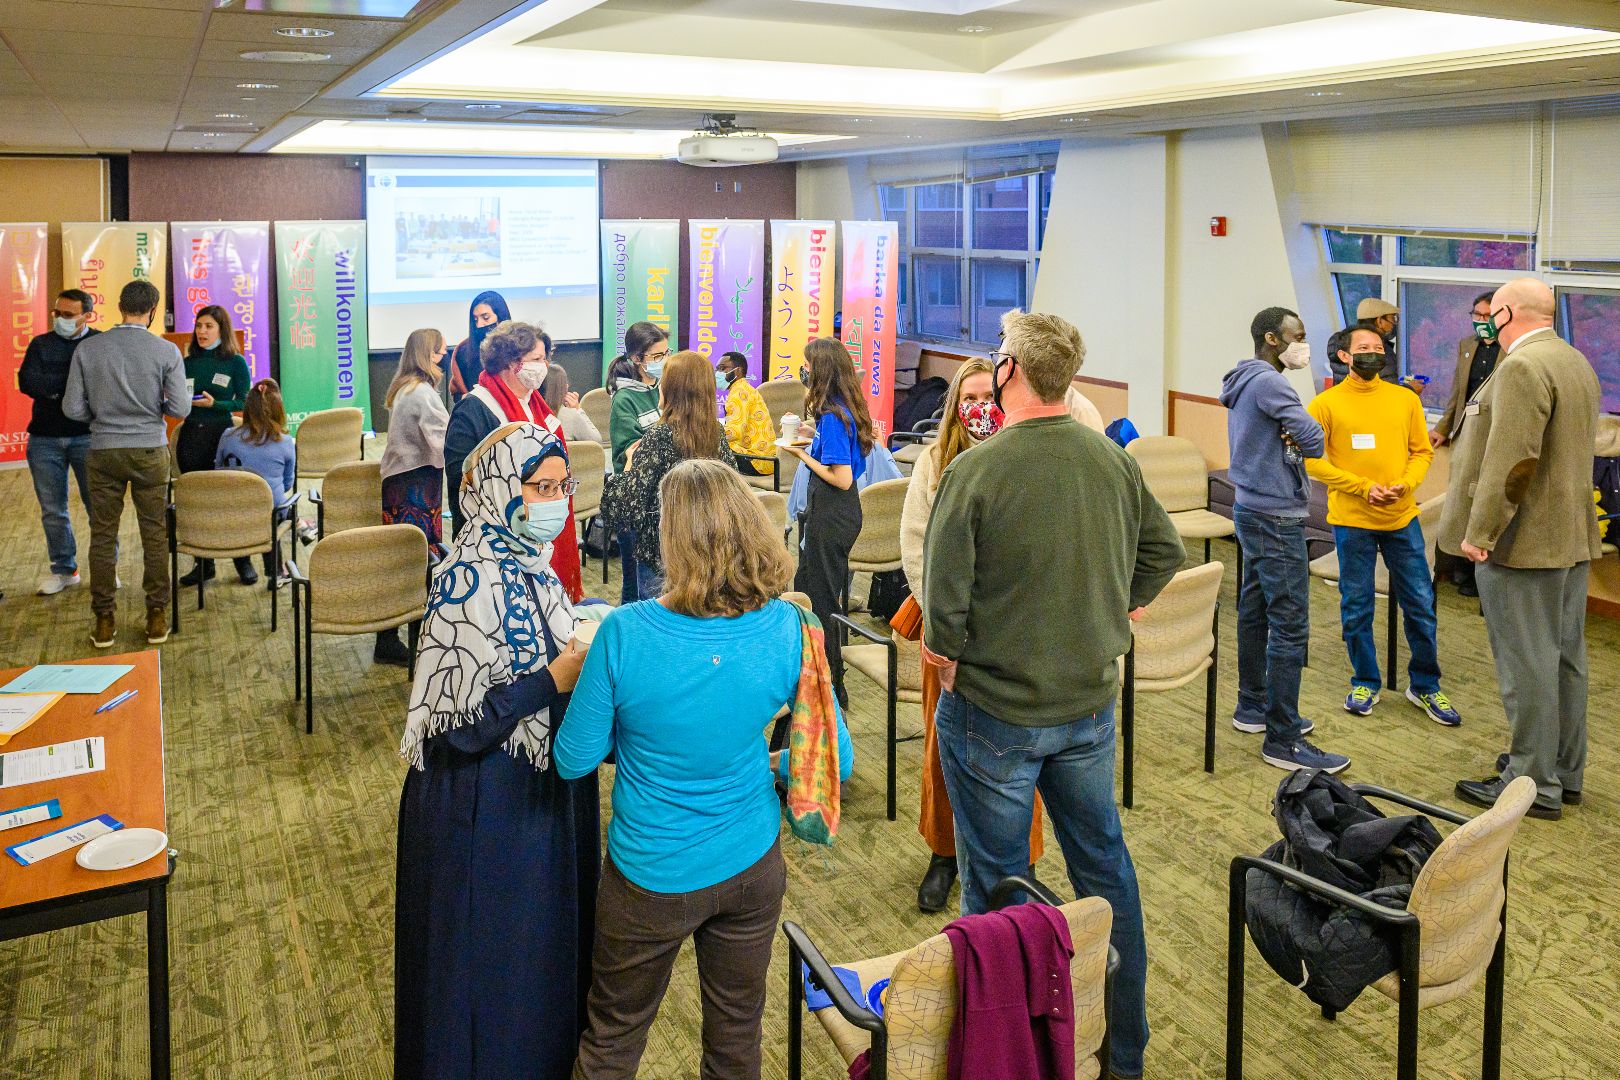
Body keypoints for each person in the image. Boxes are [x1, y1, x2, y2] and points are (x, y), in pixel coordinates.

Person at [921, 309, 1183, 1080]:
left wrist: (950, 660)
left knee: (996, 888)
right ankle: (1124, 1055)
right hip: (1090, 710)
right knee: (1106, 874)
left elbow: (943, 615)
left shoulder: (976, 469)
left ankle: (1011, 1058)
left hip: (993, 715)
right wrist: (1118, 608)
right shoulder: (1112, 461)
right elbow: (1163, 550)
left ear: (1010, 372)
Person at [557, 459, 852, 1080]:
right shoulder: (794, 627)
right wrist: (753, 757)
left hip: (650, 877)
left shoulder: (623, 636)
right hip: (751, 866)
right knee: (737, 1033)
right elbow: (835, 759)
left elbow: (573, 759)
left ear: (672, 540)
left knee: (612, 1039)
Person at [396, 422, 600, 1080]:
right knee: (486, 980)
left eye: (564, 486)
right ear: (497, 491)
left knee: (537, 967)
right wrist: (552, 679)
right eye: (543, 487)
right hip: (480, 805)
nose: (557, 501)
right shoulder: (463, 584)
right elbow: (454, 727)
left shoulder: (532, 569)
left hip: (537, 796)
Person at [1439, 278, 1602, 822]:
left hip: (1523, 544)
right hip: (1569, 538)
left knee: (1526, 665)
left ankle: (1532, 780)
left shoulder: (1522, 367)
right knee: (1564, 659)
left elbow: (1513, 464)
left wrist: (1479, 535)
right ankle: (1564, 771)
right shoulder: (1574, 359)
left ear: (1506, 312)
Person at [899, 357, 1045, 913]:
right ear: (956, 405)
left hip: (1014, 635)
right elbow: (916, 547)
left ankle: (1020, 858)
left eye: (991, 395)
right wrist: (947, 618)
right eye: (970, 397)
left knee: (1021, 749)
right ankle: (945, 854)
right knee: (946, 749)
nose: (980, 406)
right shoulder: (935, 464)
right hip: (948, 632)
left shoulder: (1026, 457)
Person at [1305, 326, 1460, 726]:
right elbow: (1313, 461)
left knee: (1421, 605)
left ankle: (1425, 685)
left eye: (1378, 349)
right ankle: (1365, 681)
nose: (1373, 354)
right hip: (1352, 520)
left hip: (1401, 517)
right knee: (1356, 606)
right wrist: (1362, 488)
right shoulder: (1325, 404)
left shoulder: (1404, 399)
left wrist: (1405, 485)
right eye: (1364, 349)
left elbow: (1421, 451)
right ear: (1344, 356)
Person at [1219, 307, 1351, 773]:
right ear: (1273, 339)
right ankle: (1283, 737)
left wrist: (1289, 433)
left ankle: (1253, 706)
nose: (1304, 344)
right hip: (1276, 516)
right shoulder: (1273, 383)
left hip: (1251, 508)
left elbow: (1295, 436)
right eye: (1298, 336)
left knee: (1254, 610)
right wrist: (1298, 433)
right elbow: (1314, 441)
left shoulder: (1245, 378)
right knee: (1290, 623)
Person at [63, 279, 189, 649]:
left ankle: (104, 619)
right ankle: (156, 616)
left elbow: (71, 408)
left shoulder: (89, 349)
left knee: (103, 534)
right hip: (149, 449)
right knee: (154, 534)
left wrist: (100, 419)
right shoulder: (165, 351)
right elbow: (179, 408)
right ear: (152, 311)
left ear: (119, 306)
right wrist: (154, 411)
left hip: (103, 450)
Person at [444, 320, 585, 602]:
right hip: (494, 548)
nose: (544, 365)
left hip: (540, 535)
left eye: (546, 358)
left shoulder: (536, 405)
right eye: (536, 359)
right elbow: (463, 489)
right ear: (510, 362)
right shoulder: (472, 411)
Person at [785, 337, 877, 704]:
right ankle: (818, 675)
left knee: (824, 601)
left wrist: (799, 455)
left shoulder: (834, 418)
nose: (803, 371)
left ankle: (831, 686)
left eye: (807, 365)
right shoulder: (838, 411)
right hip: (836, 510)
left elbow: (841, 477)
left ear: (820, 370)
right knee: (807, 585)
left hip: (834, 510)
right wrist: (811, 437)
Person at [603, 350, 737, 600]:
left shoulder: (659, 437)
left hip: (663, 555)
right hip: (710, 550)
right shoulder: (716, 433)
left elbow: (625, 509)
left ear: (673, 390)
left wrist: (630, 465)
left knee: (658, 630)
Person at [18, 288, 99, 596]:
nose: (60, 319)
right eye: (57, 313)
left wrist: (54, 387)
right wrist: (73, 386)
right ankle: (65, 569)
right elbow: (28, 382)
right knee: (53, 509)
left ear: (86, 316)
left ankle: (107, 568)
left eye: (68, 315)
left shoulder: (99, 343)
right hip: (44, 439)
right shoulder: (40, 344)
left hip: (88, 437)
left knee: (99, 507)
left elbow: (102, 384)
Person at [377, 328, 451, 665]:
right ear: (428, 354)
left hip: (405, 483)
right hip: (414, 486)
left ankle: (395, 634)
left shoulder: (406, 388)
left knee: (404, 559)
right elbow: (443, 443)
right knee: (413, 560)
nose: (444, 359)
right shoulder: (421, 394)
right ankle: (399, 638)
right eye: (440, 353)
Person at [176, 305, 256, 586]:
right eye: (199, 326)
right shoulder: (186, 362)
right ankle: (203, 563)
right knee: (197, 501)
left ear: (222, 329)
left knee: (228, 498)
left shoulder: (234, 362)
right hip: (191, 435)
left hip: (222, 436)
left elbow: (246, 402)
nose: (202, 332)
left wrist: (217, 404)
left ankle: (242, 559)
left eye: (208, 326)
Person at [1431, 291, 1502, 597]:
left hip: (1495, 434)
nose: (1481, 321)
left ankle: (1484, 574)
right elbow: (1457, 392)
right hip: (1465, 432)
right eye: (1477, 315)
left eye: (1488, 316)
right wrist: (1443, 427)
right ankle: (1462, 568)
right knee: (1461, 500)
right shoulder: (1466, 345)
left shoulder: (1512, 349)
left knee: (1487, 501)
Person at [606, 322, 670, 604]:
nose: (663, 361)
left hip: (663, 502)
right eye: (657, 357)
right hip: (637, 504)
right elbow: (627, 452)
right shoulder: (624, 399)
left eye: (667, 354)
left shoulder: (664, 388)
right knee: (637, 588)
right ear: (636, 358)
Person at [214, 379, 297, 587]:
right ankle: (276, 572)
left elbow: (218, 472)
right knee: (275, 509)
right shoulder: (286, 443)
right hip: (270, 513)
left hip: (232, 511)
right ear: (279, 410)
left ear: (247, 409)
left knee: (246, 508)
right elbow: (288, 484)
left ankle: (244, 566)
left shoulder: (227, 436)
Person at [716, 351, 775, 475]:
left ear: (737, 371)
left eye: (722, 369)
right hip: (766, 460)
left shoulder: (739, 392)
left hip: (756, 461)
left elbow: (734, 432)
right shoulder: (744, 388)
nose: (718, 374)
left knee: (707, 447)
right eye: (717, 369)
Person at [447, 289, 509, 401]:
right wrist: (465, 399)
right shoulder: (463, 352)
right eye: (475, 320)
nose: (479, 324)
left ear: (501, 317)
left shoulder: (520, 347)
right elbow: (457, 393)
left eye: (486, 318)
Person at [541, 364, 602, 444]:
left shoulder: (528, 411)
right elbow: (597, 441)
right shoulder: (570, 415)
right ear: (562, 387)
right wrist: (578, 409)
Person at [1357, 296, 1400, 367]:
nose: (1394, 324)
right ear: (1379, 321)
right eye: (1393, 318)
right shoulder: (1377, 349)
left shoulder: (1349, 344)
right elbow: (1387, 377)